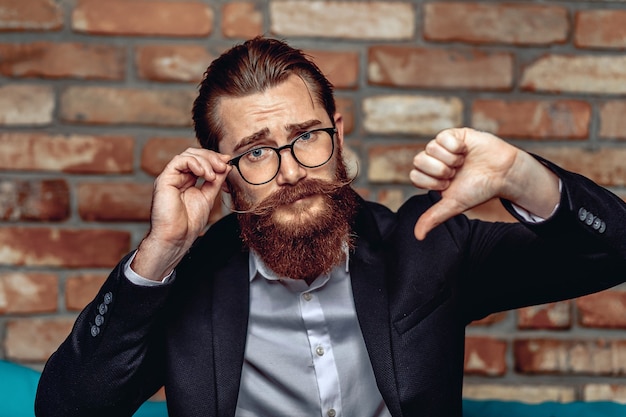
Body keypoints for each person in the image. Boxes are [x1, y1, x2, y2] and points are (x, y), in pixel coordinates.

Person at [35, 36, 626, 417]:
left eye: (305, 138)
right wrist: (159, 254)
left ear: (338, 137)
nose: (291, 171)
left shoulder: (426, 246)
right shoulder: (187, 281)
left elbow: (613, 252)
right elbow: (66, 411)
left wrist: (523, 176)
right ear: (224, 172)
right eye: (257, 153)